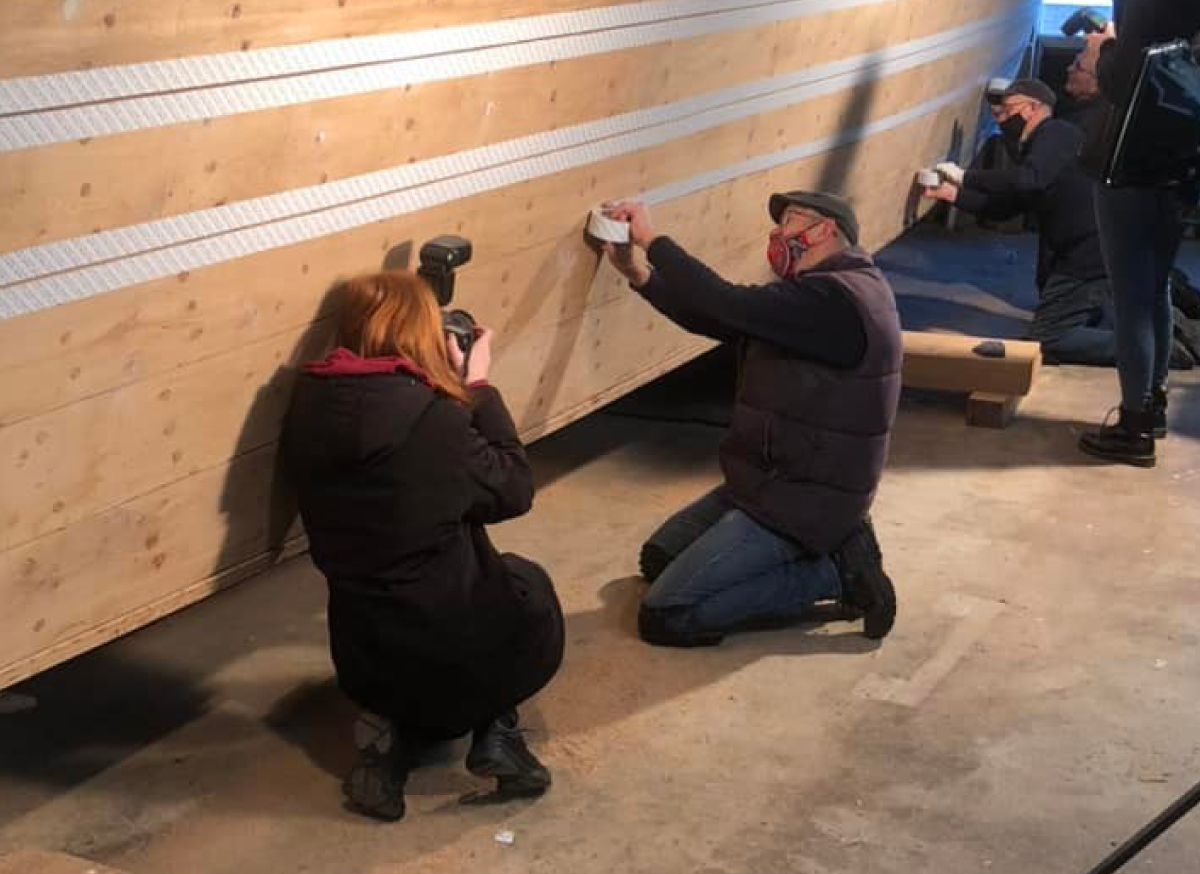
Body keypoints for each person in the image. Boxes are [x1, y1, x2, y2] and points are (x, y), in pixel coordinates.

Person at [279, 271, 564, 821]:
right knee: (529, 586)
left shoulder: (307, 407)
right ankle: (497, 728)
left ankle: (385, 748)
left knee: (402, 621)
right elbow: (514, 488)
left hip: (364, 661)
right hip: (457, 657)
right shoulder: (436, 420)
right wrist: (477, 386)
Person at [599, 191, 901, 648]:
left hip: (801, 498)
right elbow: (718, 318)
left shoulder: (835, 300)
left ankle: (834, 573)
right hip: (769, 481)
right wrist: (636, 273)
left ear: (824, 230)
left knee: (667, 615)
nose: (778, 232)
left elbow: (725, 301)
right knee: (659, 558)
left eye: (790, 220)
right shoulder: (818, 294)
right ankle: (838, 543)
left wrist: (651, 239)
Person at [1076, 1, 1200, 467]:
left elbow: (1120, 80)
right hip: (1178, 164)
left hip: (1129, 165)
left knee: (1131, 297)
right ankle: (1153, 403)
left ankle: (1134, 426)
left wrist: (1103, 48)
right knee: (1155, 287)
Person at [927, 79, 1126, 367]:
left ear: (1033, 108)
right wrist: (950, 194)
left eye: (1008, 110)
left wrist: (966, 177)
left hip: (1088, 252)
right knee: (1063, 313)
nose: (1002, 119)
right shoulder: (1039, 150)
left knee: (1049, 339)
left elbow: (1028, 180)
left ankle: (1146, 347)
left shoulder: (1057, 133)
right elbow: (1005, 208)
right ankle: (1128, 329)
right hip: (1083, 251)